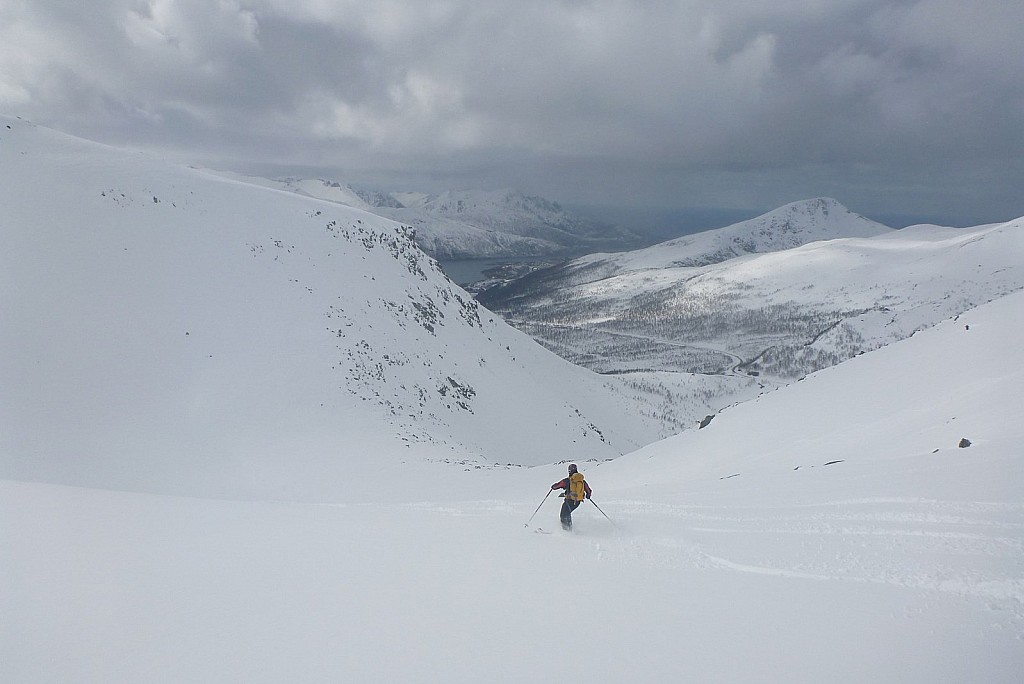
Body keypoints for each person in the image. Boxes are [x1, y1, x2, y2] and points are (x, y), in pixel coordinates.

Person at [550, 464, 592, 530]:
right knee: (567, 513)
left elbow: (558, 485)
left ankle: (567, 531)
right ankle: (569, 529)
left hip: (569, 500)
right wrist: (588, 495)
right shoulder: (582, 481)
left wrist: (553, 486)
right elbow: (588, 490)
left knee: (563, 515)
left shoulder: (567, 480)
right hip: (577, 502)